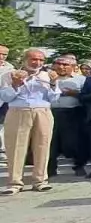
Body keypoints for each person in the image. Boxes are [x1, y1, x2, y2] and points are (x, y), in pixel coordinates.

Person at [0, 49, 60, 194]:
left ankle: (40, 180)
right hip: (18, 111)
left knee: (42, 145)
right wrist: (15, 84)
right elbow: (5, 97)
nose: (37, 63)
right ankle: (15, 182)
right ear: (25, 59)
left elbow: (54, 98)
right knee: (15, 146)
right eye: (34, 59)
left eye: (41, 60)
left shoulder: (48, 75)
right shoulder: (9, 75)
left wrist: (53, 83)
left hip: (42, 111)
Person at [48, 56, 86, 178]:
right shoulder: (46, 77)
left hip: (72, 113)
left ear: (73, 67)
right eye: (58, 64)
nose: (61, 67)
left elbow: (87, 96)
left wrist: (74, 93)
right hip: (50, 112)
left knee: (73, 142)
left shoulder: (81, 79)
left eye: (65, 65)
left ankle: (78, 166)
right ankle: (50, 169)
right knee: (50, 142)